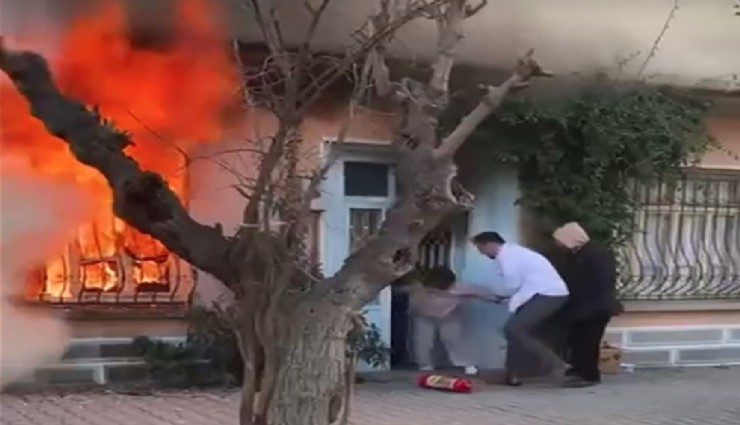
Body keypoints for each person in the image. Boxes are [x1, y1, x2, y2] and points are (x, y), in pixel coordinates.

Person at [472, 231, 569, 386]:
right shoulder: (512, 253)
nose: (481, 253)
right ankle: (513, 375)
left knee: (514, 329)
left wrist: (490, 294)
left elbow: (512, 285)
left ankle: (557, 364)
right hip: (537, 294)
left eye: (480, 248)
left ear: (490, 245)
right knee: (514, 332)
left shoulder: (508, 257)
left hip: (548, 294)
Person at [552, 222, 623, 388]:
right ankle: (579, 369)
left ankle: (589, 376)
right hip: (584, 307)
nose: (558, 244)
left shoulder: (595, 254)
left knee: (588, 342)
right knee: (577, 340)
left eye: (560, 240)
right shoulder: (579, 253)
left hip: (595, 307)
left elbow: (600, 281)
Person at [406, 266, 502, 376]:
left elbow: (482, 292)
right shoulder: (418, 288)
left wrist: (497, 299)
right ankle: (425, 365)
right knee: (422, 341)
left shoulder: (458, 288)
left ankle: (466, 364)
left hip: (449, 317)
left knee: (453, 341)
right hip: (423, 316)